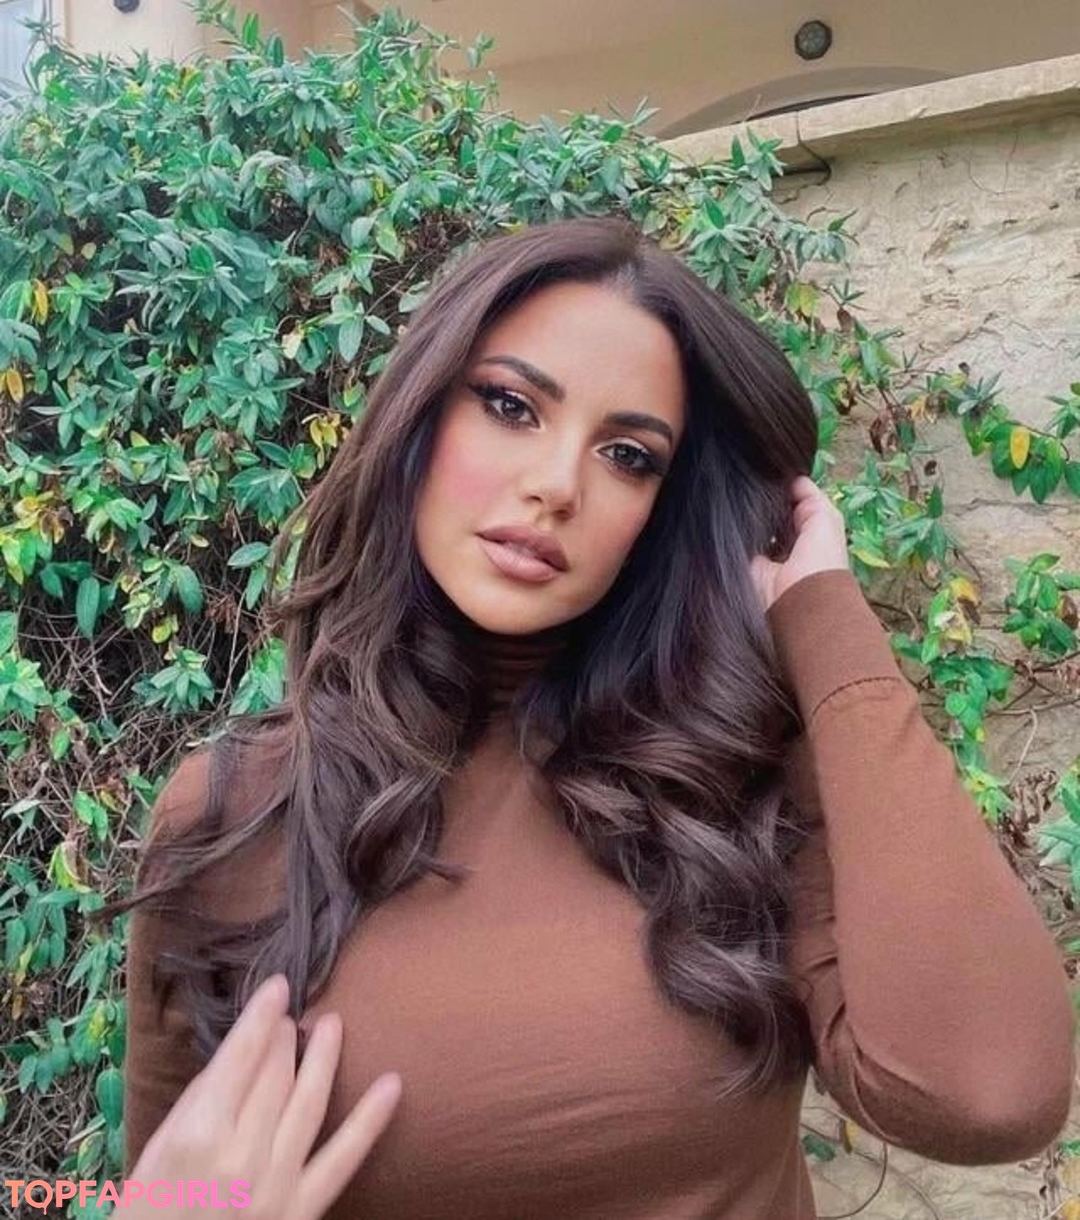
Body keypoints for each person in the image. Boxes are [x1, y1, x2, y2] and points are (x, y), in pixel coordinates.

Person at [111, 216, 1075, 1220]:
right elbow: (177, 1176)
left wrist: (823, 617)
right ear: (420, 417)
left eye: (628, 454)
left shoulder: (734, 778)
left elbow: (992, 1093)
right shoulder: (239, 812)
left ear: (664, 507)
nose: (557, 485)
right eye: (510, 406)